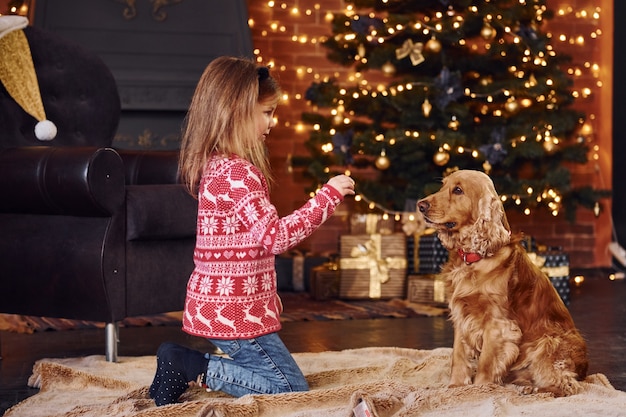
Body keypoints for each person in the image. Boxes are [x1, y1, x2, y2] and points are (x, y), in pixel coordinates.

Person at [149, 56, 355, 406]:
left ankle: (191, 364)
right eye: (266, 112)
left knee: (277, 379)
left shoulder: (218, 166)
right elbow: (275, 237)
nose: (272, 123)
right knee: (289, 392)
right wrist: (327, 196)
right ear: (235, 112)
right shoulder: (237, 175)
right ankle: (190, 365)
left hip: (222, 305)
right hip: (235, 311)